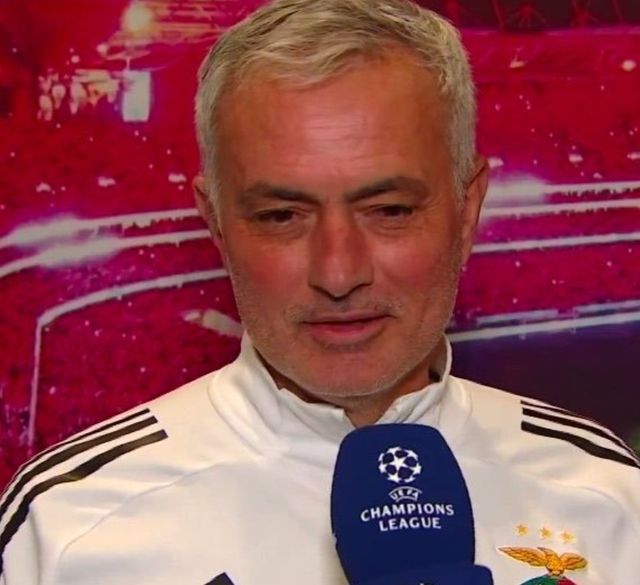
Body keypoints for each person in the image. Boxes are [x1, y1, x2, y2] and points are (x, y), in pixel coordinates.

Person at [1, 0, 639, 583]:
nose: (338, 274)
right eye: (282, 216)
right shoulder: (66, 527)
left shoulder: (608, 498)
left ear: (466, 211)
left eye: (389, 210)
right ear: (216, 222)